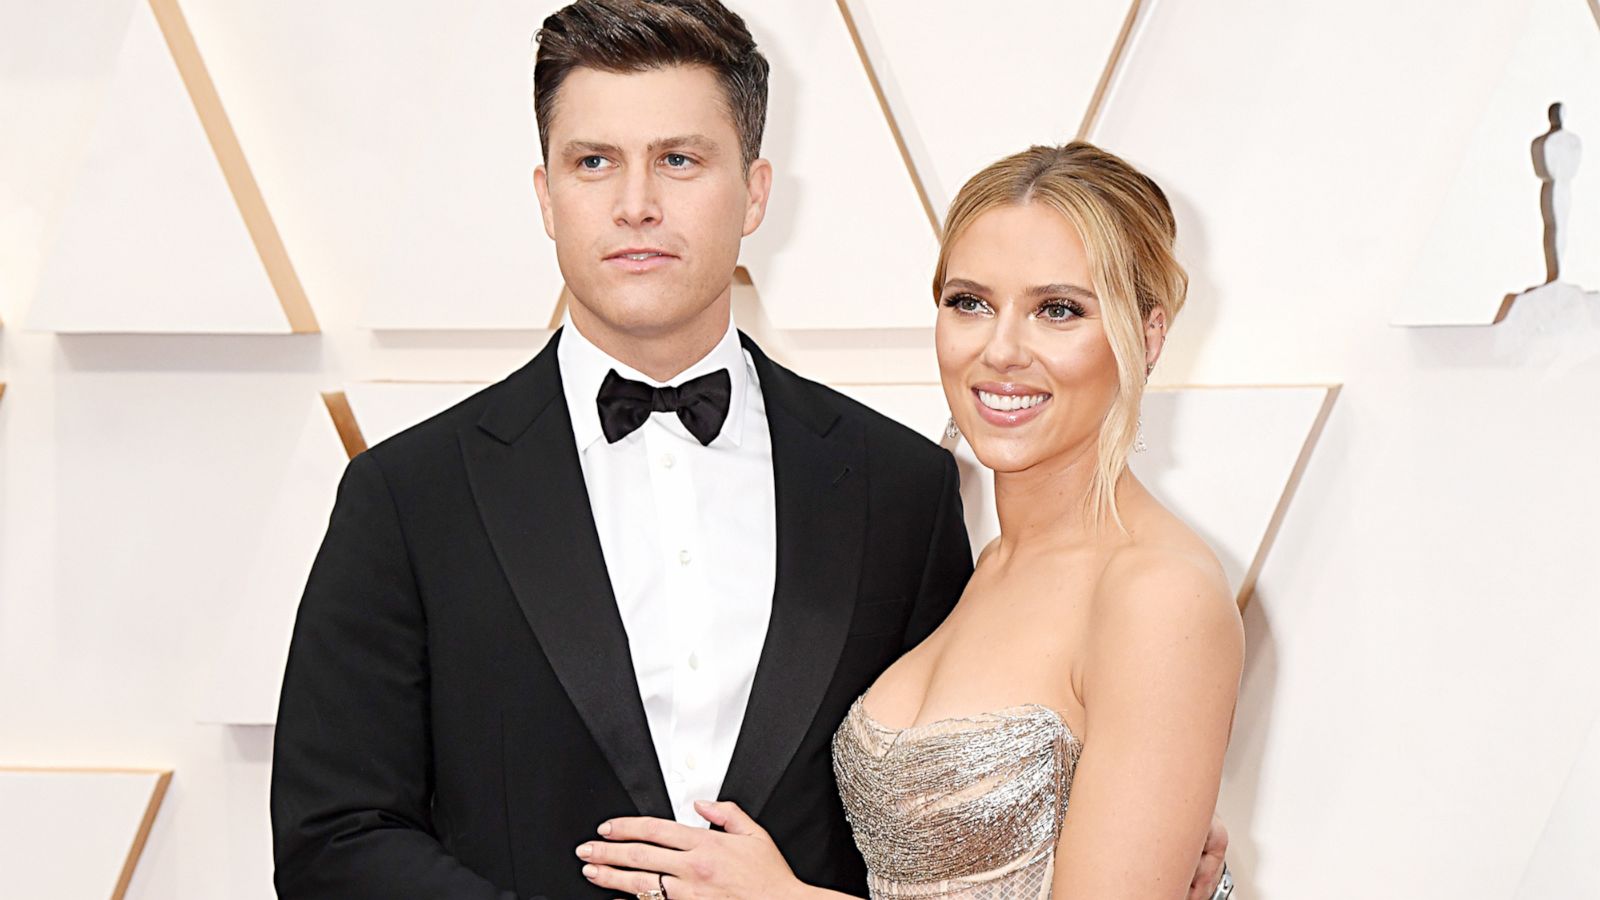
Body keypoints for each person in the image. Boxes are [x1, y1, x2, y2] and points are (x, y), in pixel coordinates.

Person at [268, 0, 1230, 896]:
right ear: (545, 192)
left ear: (756, 190)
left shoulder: (899, 488)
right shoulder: (408, 494)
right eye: (594, 162)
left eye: (681, 159)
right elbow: (333, 838)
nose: (636, 204)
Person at [575, 143, 1243, 899]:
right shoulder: (981, 564)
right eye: (970, 303)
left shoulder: (1159, 593)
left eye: (1058, 310)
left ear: (1148, 335)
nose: (1001, 349)